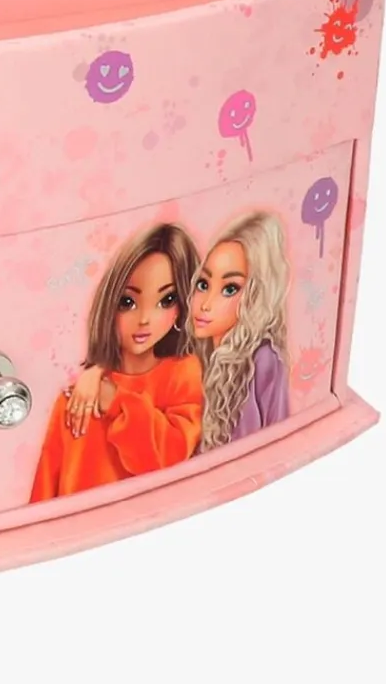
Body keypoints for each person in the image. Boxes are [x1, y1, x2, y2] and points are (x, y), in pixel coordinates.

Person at [30, 222, 202, 501]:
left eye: (166, 300)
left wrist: (116, 400)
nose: (144, 319)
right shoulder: (77, 398)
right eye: (127, 302)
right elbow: (45, 491)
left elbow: (168, 457)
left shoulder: (183, 372)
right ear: (110, 303)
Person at [189, 211, 290, 450]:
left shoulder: (264, 359)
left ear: (254, 296)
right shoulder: (197, 356)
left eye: (229, 289)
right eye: (203, 284)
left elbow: (279, 438)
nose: (206, 304)